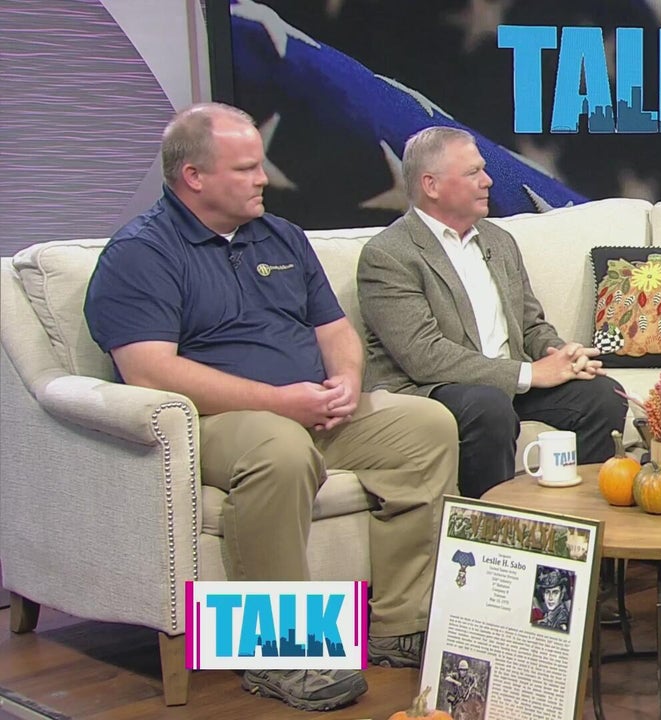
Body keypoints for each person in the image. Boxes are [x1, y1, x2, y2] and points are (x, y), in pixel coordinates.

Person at [83, 103, 460, 711]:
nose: (263, 178)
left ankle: (397, 625)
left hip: (308, 406)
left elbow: (334, 329)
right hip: (210, 422)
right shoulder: (141, 253)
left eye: (260, 165)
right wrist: (280, 403)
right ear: (193, 177)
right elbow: (149, 370)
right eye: (246, 169)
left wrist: (345, 380)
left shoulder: (280, 235)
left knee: (427, 426)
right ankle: (279, 654)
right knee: (281, 452)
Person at [357, 126, 627, 498]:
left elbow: (530, 325)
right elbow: (424, 356)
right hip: (431, 391)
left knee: (602, 396)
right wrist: (530, 373)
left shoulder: (499, 241)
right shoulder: (388, 255)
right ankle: (490, 528)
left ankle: (575, 516)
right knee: (489, 407)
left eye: (483, 170)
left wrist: (559, 353)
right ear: (431, 185)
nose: (488, 181)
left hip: (506, 383)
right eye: (473, 173)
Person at [532, 568, 573, 632]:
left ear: (562, 594)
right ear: (543, 595)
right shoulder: (550, 614)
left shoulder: (562, 619)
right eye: (547, 592)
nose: (550, 598)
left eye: (555, 592)